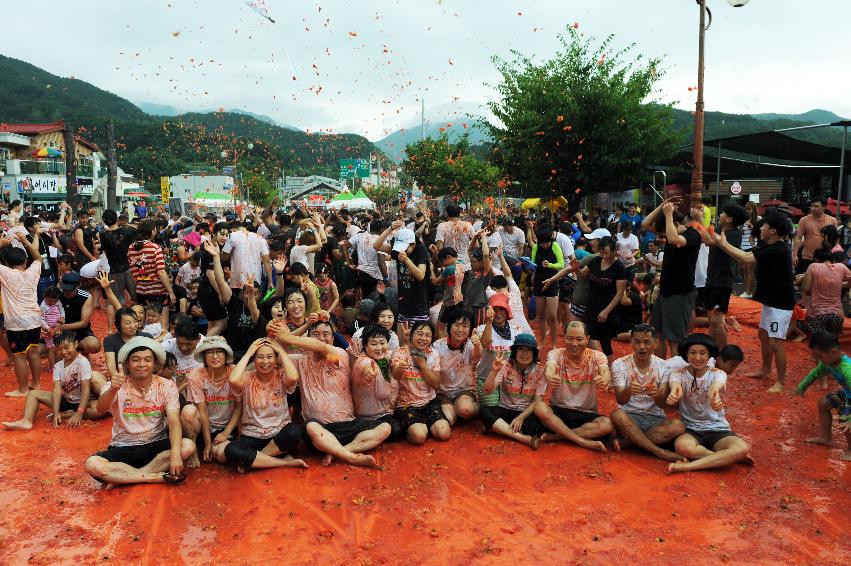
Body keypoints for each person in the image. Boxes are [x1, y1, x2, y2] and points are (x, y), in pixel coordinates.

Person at [271, 318, 391, 468]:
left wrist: (287, 336)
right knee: (310, 427)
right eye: (316, 334)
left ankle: (341, 452)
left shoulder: (339, 354)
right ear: (308, 338)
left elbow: (321, 347)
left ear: (333, 338)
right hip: (320, 429)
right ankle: (351, 457)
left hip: (347, 423)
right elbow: (273, 356)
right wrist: (275, 332)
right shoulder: (298, 361)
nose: (322, 338)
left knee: (385, 427)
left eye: (326, 334)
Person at [84, 337, 196, 486]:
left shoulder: (167, 385)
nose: (142, 364)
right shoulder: (115, 384)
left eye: (147, 360)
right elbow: (100, 409)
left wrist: (175, 454)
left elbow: (174, 422)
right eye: (136, 360)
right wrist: (113, 389)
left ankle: (126, 477)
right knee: (92, 464)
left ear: (155, 364)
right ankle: (153, 477)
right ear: (127, 365)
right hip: (123, 446)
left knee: (187, 446)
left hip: (157, 444)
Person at [709, 212, 795, 393]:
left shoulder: (777, 249)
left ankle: (780, 381)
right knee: (763, 335)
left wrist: (722, 243)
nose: (761, 228)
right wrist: (722, 243)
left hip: (780, 303)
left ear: (773, 230)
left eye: (764, 225)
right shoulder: (769, 246)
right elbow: (745, 257)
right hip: (772, 301)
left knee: (775, 342)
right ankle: (765, 369)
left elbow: (745, 259)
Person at [664, 333, 752, 473]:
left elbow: (715, 387)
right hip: (691, 429)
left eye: (702, 353)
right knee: (682, 446)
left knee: (742, 448)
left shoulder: (718, 373)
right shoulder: (678, 374)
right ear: (686, 354)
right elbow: (676, 387)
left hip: (717, 428)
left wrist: (714, 396)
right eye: (692, 353)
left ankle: (688, 466)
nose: (697, 357)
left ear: (709, 355)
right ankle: (726, 457)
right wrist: (674, 394)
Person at [222, 338, 307, 472]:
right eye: (260, 357)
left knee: (295, 432)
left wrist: (280, 351)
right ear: (254, 360)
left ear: (275, 359)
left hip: (277, 436)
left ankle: (255, 460)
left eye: (270, 357)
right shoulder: (247, 378)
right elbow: (232, 379)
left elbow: (293, 378)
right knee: (231, 450)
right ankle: (283, 463)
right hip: (251, 436)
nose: (265, 361)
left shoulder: (281, 375)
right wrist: (248, 353)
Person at [609, 324, 686, 462]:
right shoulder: (619, 364)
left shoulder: (664, 366)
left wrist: (657, 394)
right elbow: (621, 400)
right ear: (631, 341)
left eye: (647, 342)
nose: (642, 347)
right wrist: (629, 391)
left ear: (656, 343)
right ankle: (659, 451)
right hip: (629, 416)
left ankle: (629, 442)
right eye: (637, 341)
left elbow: (663, 404)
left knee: (678, 426)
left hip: (655, 418)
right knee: (618, 414)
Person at [2, 331, 105, 430]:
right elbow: (56, 390)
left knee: (97, 409)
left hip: (84, 402)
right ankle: (26, 421)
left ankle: (69, 414)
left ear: (76, 344)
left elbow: (86, 389)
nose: (63, 352)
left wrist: (79, 413)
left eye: (67, 347)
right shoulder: (58, 366)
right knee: (33, 394)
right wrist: (56, 413)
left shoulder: (82, 361)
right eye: (59, 349)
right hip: (67, 400)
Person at [535, 321, 612, 452]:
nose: (574, 343)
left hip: (586, 413)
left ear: (587, 339)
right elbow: (549, 367)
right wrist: (549, 376)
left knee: (608, 424)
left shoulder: (597, 356)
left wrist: (604, 379)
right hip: (559, 410)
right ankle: (581, 440)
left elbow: (605, 370)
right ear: (564, 338)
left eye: (579, 339)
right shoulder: (556, 354)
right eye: (569, 338)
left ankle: (558, 436)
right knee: (539, 407)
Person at [641, 198, 701, 358]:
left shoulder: (692, 234)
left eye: (662, 233)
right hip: (665, 291)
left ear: (673, 223)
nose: (662, 237)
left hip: (680, 293)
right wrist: (663, 205)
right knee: (658, 335)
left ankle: (676, 376)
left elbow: (674, 240)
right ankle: (661, 370)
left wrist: (668, 215)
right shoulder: (670, 231)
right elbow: (645, 224)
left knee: (675, 340)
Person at [0, 231, 47, 396]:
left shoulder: (5, 273)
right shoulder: (33, 271)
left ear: (6, 262)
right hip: (34, 319)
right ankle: (36, 383)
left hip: (16, 322)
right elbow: (39, 257)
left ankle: (23, 389)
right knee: (33, 352)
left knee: (19, 356)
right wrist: (25, 240)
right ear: (25, 260)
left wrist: (2, 243)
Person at [479, 333, 546, 449]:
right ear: (514, 351)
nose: (524, 353)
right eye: (520, 349)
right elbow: (487, 391)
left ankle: (499, 427)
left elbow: (537, 402)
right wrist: (494, 371)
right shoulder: (505, 365)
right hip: (505, 409)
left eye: (528, 350)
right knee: (484, 411)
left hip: (526, 413)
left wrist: (521, 417)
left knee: (536, 427)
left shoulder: (540, 371)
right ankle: (523, 438)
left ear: (534, 353)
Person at [391, 320, 452, 444]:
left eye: (427, 335)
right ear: (412, 335)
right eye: (419, 334)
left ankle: (423, 424)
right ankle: (414, 427)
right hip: (406, 404)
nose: (423, 338)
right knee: (419, 437)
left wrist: (423, 366)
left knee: (444, 433)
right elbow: (395, 376)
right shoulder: (400, 353)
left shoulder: (433, 353)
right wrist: (399, 368)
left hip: (429, 401)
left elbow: (436, 384)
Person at [793, 332, 851, 462]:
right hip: (847, 393)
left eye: (819, 356)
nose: (817, 360)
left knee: (845, 419)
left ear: (834, 352)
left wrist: (849, 419)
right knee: (823, 404)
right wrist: (802, 387)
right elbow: (815, 373)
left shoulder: (847, 370)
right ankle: (826, 438)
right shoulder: (828, 362)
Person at [702, 204, 748, 349]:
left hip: (723, 279)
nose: (720, 214)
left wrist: (698, 220)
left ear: (729, 219)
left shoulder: (734, 234)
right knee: (712, 317)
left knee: (717, 319)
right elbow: (707, 240)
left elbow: (710, 240)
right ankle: (710, 348)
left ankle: (722, 353)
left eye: (722, 213)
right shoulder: (721, 230)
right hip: (713, 277)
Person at [577, 236, 626, 362]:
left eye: (607, 253)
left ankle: (609, 370)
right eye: (602, 252)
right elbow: (582, 275)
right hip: (592, 306)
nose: (604, 256)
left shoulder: (619, 267)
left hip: (607, 309)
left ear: (614, 251)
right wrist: (575, 268)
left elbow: (619, 293)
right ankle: (588, 365)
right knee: (586, 336)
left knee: (606, 343)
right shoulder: (595, 261)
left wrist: (606, 311)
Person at [350, 324, 402, 439]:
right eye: (374, 344)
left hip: (387, 412)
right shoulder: (363, 362)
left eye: (382, 343)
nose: (379, 348)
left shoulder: (387, 356)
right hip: (368, 417)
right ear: (365, 346)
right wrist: (369, 373)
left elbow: (396, 364)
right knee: (397, 431)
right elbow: (366, 368)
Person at [432, 308, 482, 425]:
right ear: (449, 326)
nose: (460, 330)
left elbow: (477, 357)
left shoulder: (470, 344)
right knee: (449, 419)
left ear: (470, 329)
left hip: (464, 390)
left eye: (465, 326)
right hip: (443, 393)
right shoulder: (438, 346)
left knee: (465, 409)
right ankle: (455, 410)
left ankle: (482, 410)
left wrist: (478, 345)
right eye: (457, 325)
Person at [128, 219, 176, 329]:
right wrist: (171, 291)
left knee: (144, 325)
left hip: (141, 291)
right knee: (162, 326)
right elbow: (161, 272)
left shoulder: (131, 248)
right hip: (158, 292)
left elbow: (133, 272)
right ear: (152, 231)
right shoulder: (155, 247)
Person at [476, 294, 519, 408]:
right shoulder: (482, 328)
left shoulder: (517, 330)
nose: (498, 313)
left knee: (513, 409)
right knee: (492, 410)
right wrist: (489, 322)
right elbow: (485, 343)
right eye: (494, 309)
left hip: (509, 379)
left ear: (507, 311)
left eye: (501, 309)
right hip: (486, 377)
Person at [99, 209, 137, 333]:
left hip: (113, 270)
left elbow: (105, 251)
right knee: (135, 298)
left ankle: (111, 328)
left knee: (113, 301)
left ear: (105, 221)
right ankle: (137, 323)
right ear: (117, 218)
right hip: (128, 268)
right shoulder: (128, 230)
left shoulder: (103, 235)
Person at [800, 248, 851, 338]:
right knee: (832, 342)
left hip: (817, 314)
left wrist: (804, 279)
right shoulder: (841, 267)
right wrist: (841, 284)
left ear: (816, 259)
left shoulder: (813, 266)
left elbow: (806, 288)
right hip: (837, 315)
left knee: (819, 344)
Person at [530, 228, 564, 350]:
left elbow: (561, 264)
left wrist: (550, 265)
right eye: (542, 243)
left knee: (552, 315)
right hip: (539, 281)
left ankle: (554, 343)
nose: (545, 245)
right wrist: (529, 265)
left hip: (552, 280)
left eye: (547, 243)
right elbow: (533, 264)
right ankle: (543, 340)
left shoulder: (555, 246)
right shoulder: (536, 247)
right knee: (541, 314)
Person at [56, 271, 102, 355]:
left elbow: (84, 323)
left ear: (78, 286)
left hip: (80, 332)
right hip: (59, 332)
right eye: (65, 289)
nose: (67, 292)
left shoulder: (85, 296)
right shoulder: (56, 294)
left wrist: (63, 327)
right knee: (37, 351)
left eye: (70, 289)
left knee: (94, 345)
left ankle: (81, 353)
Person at [793, 196, 837, 274]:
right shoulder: (804, 220)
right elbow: (797, 238)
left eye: (816, 206)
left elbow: (835, 239)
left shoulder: (832, 220)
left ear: (824, 207)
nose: (812, 208)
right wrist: (794, 255)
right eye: (812, 206)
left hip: (825, 257)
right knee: (807, 280)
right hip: (807, 256)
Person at [39, 286, 65, 366]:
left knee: (59, 346)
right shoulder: (43, 306)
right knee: (51, 349)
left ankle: (58, 364)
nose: (51, 303)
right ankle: (52, 366)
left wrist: (62, 319)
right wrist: (47, 328)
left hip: (58, 328)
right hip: (49, 331)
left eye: (54, 301)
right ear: (45, 297)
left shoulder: (58, 302)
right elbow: (41, 318)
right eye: (49, 301)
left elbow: (62, 311)